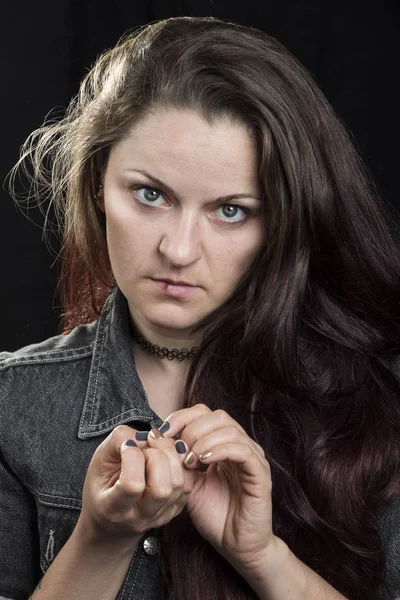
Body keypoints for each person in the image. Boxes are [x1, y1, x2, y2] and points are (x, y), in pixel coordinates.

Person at [1, 14, 399, 600]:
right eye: (150, 194)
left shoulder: (381, 400)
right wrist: (100, 539)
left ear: (284, 223)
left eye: (230, 210)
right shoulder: (13, 405)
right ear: (96, 188)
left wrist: (263, 557)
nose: (179, 251)